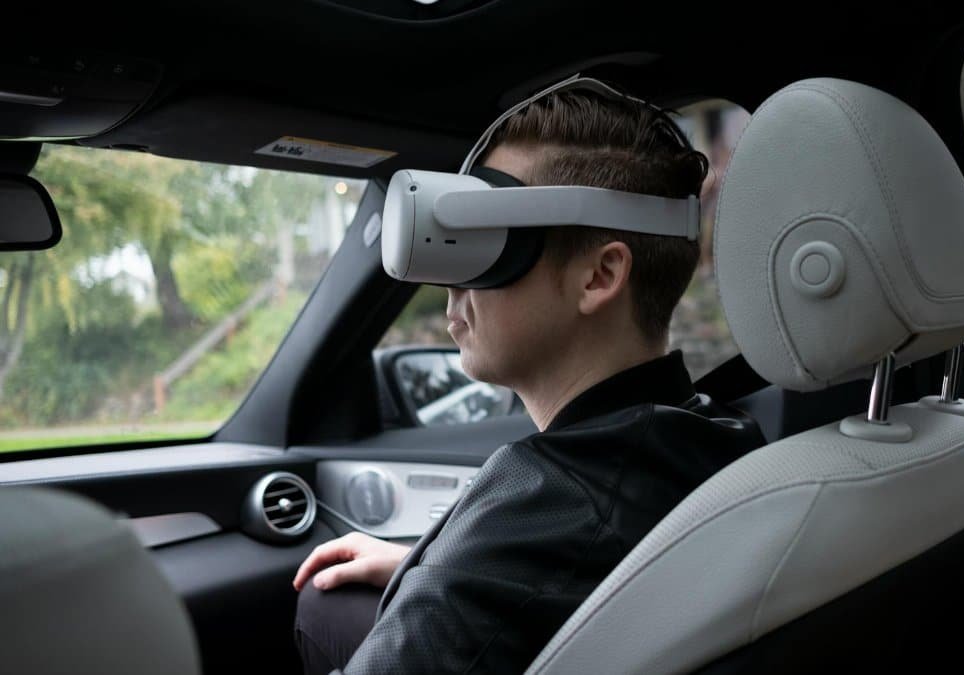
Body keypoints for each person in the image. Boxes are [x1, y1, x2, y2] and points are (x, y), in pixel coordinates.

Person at [292, 81, 766, 675]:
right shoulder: (718, 432)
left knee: (318, 603)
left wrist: (461, 566)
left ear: (599, 276)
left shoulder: (541, 505)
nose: (453, 285)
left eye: (490, 244)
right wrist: (428, 562)